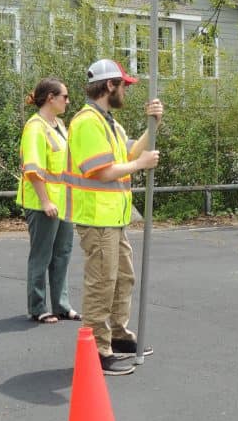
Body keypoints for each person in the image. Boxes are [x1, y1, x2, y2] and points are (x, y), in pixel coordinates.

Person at [64, 59, 162, 376]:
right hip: (97, 218)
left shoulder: (109, 122)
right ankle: (96, 351)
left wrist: (154, 125)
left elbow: (132, 153)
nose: (126, 92)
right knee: (101, 285)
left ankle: (117, 337)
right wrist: (141, 165)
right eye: (124, 86)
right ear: (110, 86)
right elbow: (104, 171)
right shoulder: (87, 122)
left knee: (122, 280)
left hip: (113, 219)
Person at [16, 77, 79, 324]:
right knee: (41, 255)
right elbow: (33, 168)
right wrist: (44, 201)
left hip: (62, 202)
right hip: (42, 203)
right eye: (64, 96)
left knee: (62, 253)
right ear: (50, 98)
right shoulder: (35, 127)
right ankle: (38, 306)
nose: (68, 101)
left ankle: (62, 305)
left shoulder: (60, 125)